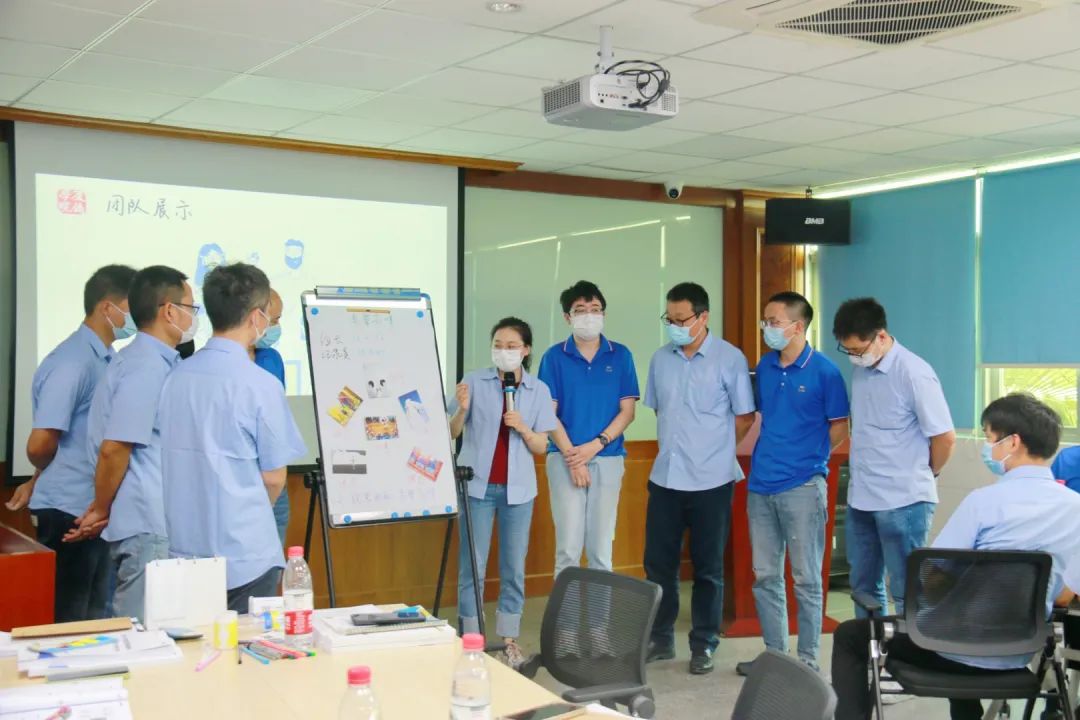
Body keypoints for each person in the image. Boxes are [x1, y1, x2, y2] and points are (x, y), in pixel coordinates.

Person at [832, 393, 1080, 720]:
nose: (988, 448)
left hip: (949, 648)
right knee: (963, 619)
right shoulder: (1075, 508)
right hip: (1019, 653)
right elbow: (1067, 595)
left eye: (990, 439)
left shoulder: (983, 502)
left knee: (851, 636)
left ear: (1013, 442)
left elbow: (932, 578)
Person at [158, 263, 306, 612]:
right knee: (249, 644)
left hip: (186, 551)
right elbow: (274, 477)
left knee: (196, 643)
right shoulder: (260, 384)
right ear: (256, 317)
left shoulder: (176, 377)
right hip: (246, 553)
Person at [4, 265, 137, 622]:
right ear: (107, 308)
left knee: (94, 620)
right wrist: (40, 475)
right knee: (68, 622)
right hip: (68, 510)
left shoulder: (107, 358)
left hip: (92, 508)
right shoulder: (73, 362)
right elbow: (40, 443)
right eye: (131, 307)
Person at [64, 266, 196, 622]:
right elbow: (115, 447)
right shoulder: (146, 366)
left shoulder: (154, 360)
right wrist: (101, 507)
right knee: (143, 637)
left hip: (151, 521)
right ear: (169, 311)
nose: (194, 318)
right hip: (149, 523)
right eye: (191, 308)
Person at [643, 282, 755, 675]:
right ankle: (660, 638)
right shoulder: (661, 359)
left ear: (703, 317)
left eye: (681, 319)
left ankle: (704, 643)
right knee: (659, 566)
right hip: (666, 479)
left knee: (708, 568)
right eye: (669, 319)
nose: (674, 326)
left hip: (711, 482)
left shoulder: (730, 359)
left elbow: (744, 417)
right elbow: (660, 411)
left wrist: (715, 449)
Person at [738, 292, 849, 676]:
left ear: (797, 326)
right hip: (760, 486)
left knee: (806, 579)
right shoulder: (765, 367)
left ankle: (807, 663)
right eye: (765, 320)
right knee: (766, 576)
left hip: (803, 487)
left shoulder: (825, 372)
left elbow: (840, 427)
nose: (766, 327)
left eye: (773, 321)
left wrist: (810, 457)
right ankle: (776, 658)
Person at [833, 298, 956, 618]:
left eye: (858, 350)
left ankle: (906, 649)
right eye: (848, 350)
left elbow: (944, 437)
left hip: (904, 499)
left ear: (882, 336)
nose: (854, 357)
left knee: (906, 589)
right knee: (863, 587)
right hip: (862, 497)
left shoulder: (914, 373)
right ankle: (869, 647)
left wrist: (928, 473)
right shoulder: (861, 370)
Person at [450, 317, 557, 669]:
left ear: (526, 350)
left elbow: (541, 445)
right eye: (498, 345)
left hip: (519, 491)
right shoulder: (473, 381)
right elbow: (451, 432)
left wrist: (523, 427)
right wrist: (462, 409)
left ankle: (509, 641)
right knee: (473, 567)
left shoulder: (538, 390)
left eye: (511, 346)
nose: (503, 351)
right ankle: (472, 642)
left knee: (513, 568)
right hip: (476, 487)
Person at [538, 281, 638, 580]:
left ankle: (598, 613)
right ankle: (567, 613)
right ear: (567, 317)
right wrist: (574, 458)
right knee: (567, 550)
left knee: (601, 551)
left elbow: (627, 412)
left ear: (604, 314)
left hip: (608, 457)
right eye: (581, 310)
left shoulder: (620, 355)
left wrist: (596, 445)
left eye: (595, 309)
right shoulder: (554, 357)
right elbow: (548, 413)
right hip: (564, 459)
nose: (589, 316)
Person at [248, 288, 289, 546]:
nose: (276, 327)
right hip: (243, 480)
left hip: (275, 477)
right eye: (273, 320)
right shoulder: (219, 365)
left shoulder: (272, 359)